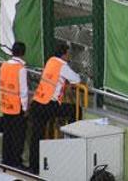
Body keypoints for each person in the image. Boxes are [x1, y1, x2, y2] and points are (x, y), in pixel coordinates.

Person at [29, 44, 81, 174]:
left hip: (37, 103)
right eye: (68, 53)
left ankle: (34, 167)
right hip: (48, 105)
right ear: (64, 54)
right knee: (76, 110)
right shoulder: (62, 65)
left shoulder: (50, 61)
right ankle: (73, 137)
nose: (69, 56)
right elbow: (76, 79)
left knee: (37, 136)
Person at [0, 42, 28, 170]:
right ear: (23, 53)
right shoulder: (21, 69)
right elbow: (23, 90)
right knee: (18, 135)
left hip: (6, 104)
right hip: (17, 107)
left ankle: (6, 159)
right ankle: (16, 161)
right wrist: (25, 107)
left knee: (7, 134)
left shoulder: (4, 65)